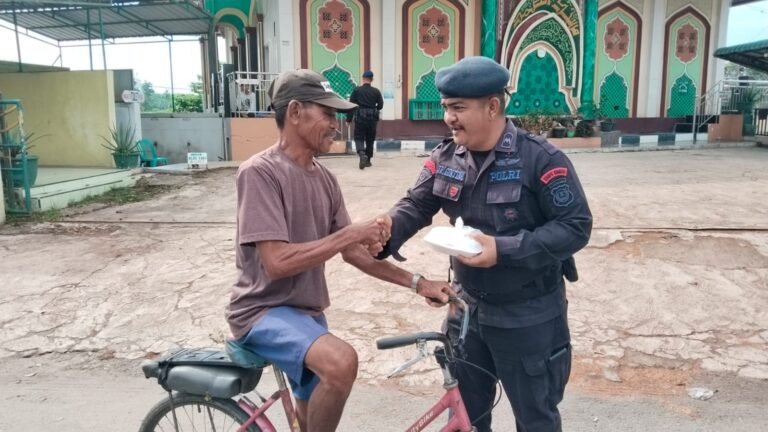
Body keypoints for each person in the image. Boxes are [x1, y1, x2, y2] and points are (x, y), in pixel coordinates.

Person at [226, 69, 453, 432]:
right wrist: (351, 233)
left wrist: (418, 283)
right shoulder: (260, 173)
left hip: (306, 314)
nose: (336, 124)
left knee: (312, 421)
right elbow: (277, 263)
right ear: (296, 112)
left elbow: (354, 253)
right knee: (341, 362)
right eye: (328, 114)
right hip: (261, 312)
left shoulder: (324, 178)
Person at [376, 56, 593, 431]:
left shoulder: (539, 159)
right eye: (446, 107)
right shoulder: (445, 157)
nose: (449, 117)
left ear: (492, 106)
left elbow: (575, 226)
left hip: (529, 316)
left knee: (536, 419)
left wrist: (503, 250)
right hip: (466, 314)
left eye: (458, 108)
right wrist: (384, 231)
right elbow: (416, 204)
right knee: (467, 419)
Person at [347, 70, 383, 170]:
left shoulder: (357, 90)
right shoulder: (376, 91)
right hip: (372, 118)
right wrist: (372, 107)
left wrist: (348, 120)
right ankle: (368, 161)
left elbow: (351, 105)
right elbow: (380, 105)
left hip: (360, 117)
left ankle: (362, 153)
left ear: (363, 79)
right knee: (370, 138)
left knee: (359, 137)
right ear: (372, 79)